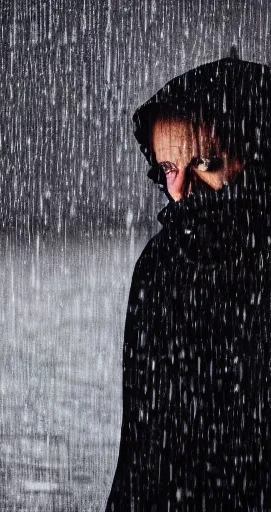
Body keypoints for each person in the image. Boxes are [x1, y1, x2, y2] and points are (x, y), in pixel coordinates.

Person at [106, 56, 271, 510]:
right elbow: (141, 447)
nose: (180, 190)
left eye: (205, 162)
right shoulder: (160, 266)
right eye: (167, 168)